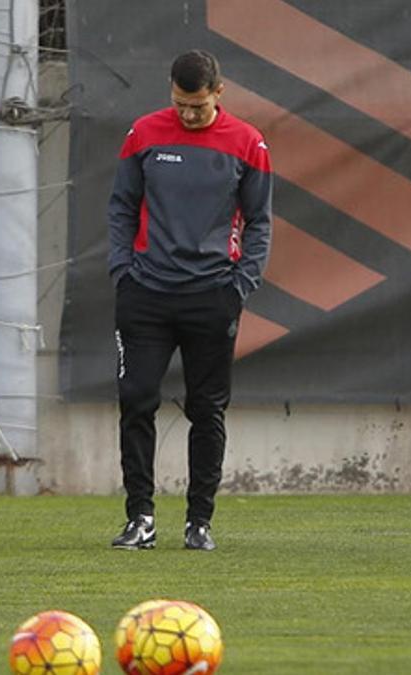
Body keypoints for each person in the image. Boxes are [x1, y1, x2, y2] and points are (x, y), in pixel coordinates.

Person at [107, 50, 273, 551]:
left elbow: (260, 220)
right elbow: (121, 205)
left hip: (212, 296)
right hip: (146, 295)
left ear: (218, 95)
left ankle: (199, 521)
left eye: (197, 106)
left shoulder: (248, 143)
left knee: (207, 408)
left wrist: (241, 284)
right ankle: (140, 517)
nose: (188, 114)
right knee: (136, 399)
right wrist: (122, 271)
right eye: (180, 104)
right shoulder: (143, 134)